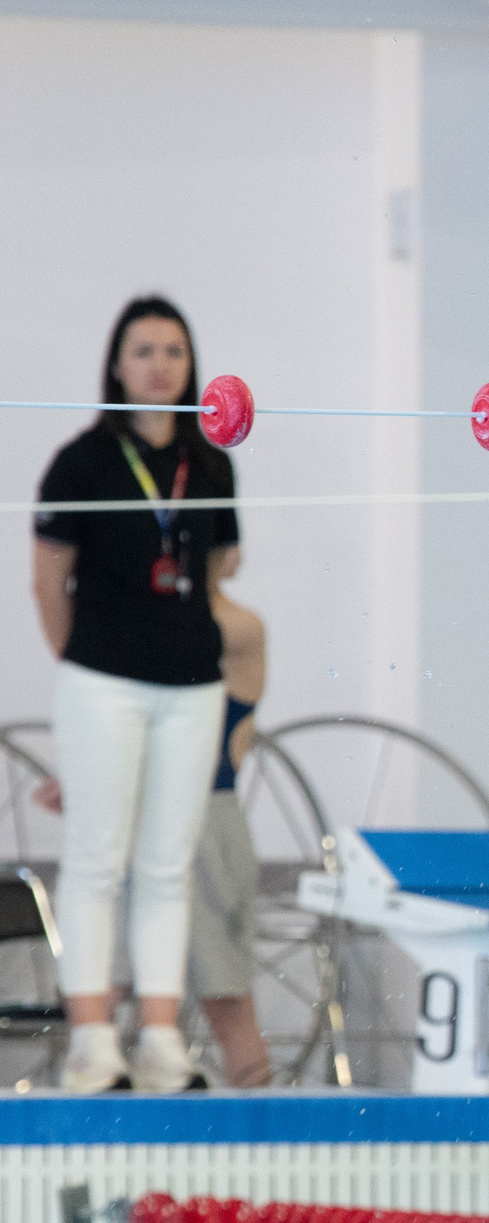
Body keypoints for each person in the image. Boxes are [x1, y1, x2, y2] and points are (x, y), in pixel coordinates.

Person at [30, 297, 237, 1093]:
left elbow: (217, 572)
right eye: (143, 349)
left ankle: (159, 1040)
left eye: (174, 350)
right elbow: (47, 580)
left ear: (191, 364)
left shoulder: (212, 462)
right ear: (117, 363)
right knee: (96, 858)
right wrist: (85, 662)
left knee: (166, 864)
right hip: (102, 681)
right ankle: (92, 1041)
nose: (159, 364)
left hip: (191, 686)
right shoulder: (81, 462)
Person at [187, 551, 273, 1087]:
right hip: (150, 821)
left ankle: (264, 1156)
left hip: (207, 821)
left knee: (227, 1002)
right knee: (105, 996)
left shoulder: (238, 627)